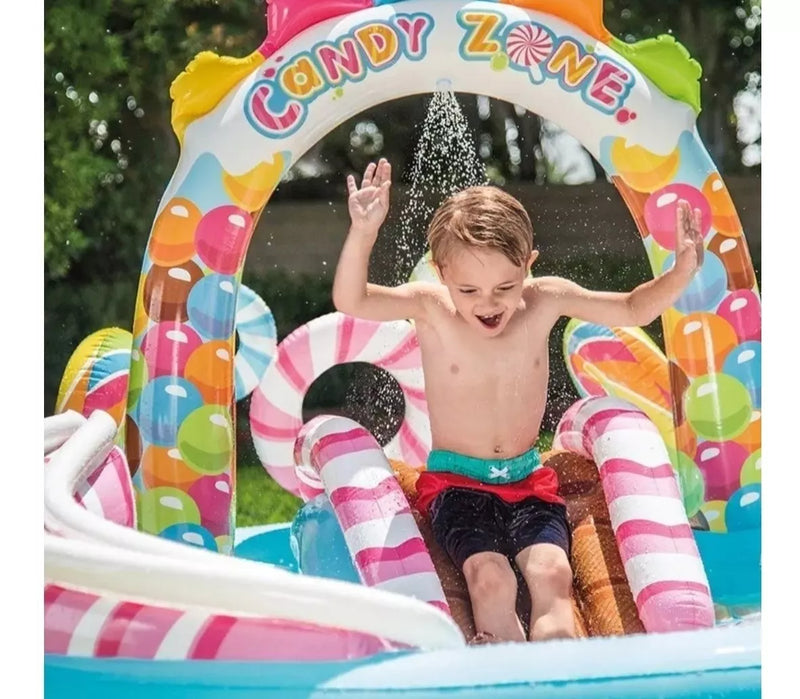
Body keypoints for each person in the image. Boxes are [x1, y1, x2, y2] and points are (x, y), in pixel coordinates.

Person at [332, 158, 704, 645]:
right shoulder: (430, 306)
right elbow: (351, 299)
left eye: (505, 287)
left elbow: (633, 308)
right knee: (492, 577)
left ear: (529, 264)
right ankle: (501, 668)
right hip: (457, 485)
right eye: (469, 289)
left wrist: (682, 270)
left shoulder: (545, 299)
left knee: (551, 573)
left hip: (530, 482)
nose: (488, 303)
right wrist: (363, 232)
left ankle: (561, 672)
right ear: (442, 273)